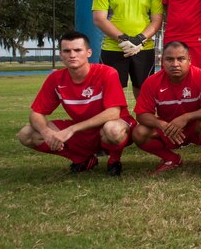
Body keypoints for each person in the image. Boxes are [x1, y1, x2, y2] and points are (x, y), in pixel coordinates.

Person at [17, 31, 135, 176]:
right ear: (61, 54)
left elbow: (113, 112)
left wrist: (71, 129)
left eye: (78, 50)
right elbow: (36, 113)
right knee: (26, 134)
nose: (72, 55)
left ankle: (114, 161)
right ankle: (82, 159)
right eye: (67, 51)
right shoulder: (55, 79)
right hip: (83, 130)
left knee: (113, 130)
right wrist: (46, 132)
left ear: (89, 52)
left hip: (113, 127)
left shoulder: (107, 73)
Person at [132, 41, 201, 175]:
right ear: (162, 61)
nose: (175, 64)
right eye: (169, 59)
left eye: (181, 59)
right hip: (168, 128)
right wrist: (161, 124)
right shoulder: (152, 82)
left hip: (194, 127)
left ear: (189, 60)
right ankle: (171, 159)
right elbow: (142, 115)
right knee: (139, 132)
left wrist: (186, 117)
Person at [92, 0, 164, 99]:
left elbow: (157, 20)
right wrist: (124, 39)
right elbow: (99, 18)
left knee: (144, 92)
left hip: (143, 48)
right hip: (114, 48)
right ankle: (114, 122)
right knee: (111, 93)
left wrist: (139, 39)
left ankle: (143, 123)